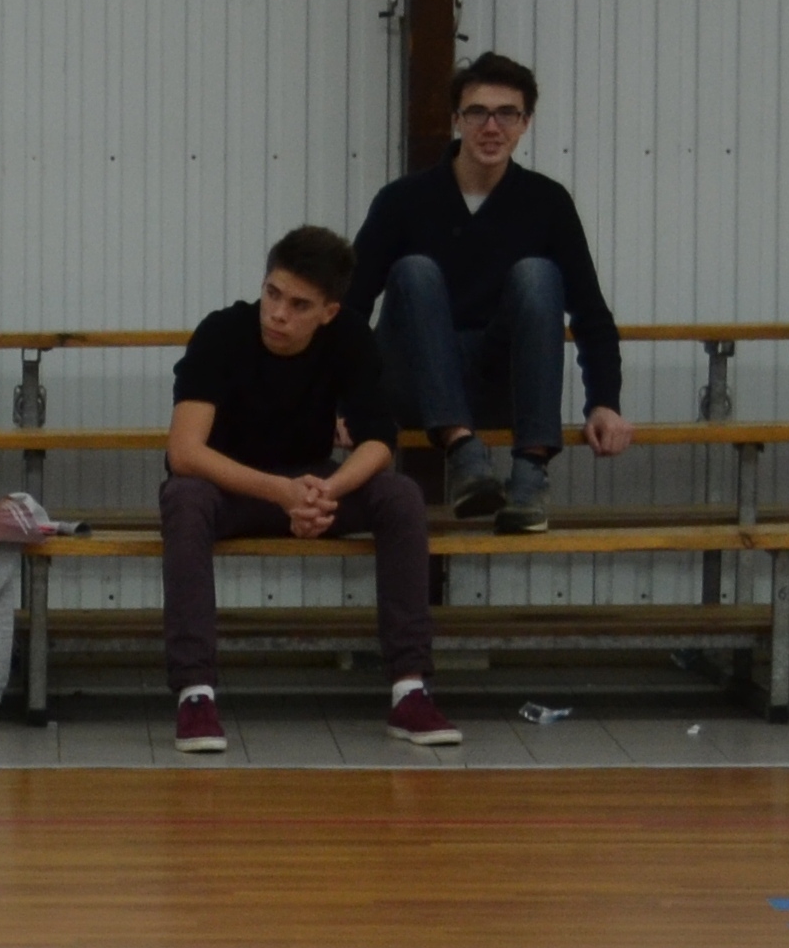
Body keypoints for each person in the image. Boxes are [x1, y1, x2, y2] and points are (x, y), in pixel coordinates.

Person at [160, 227, 456, 754]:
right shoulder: (222, 333)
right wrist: (281, 492)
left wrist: (325, 490)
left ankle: (410, 689)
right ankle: (195, 694)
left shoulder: (350, 339)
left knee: (401, 495)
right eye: (273, 294)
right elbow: (185, 451)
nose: (278, 314)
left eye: (299, 305)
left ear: (329, 311)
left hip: (315, 484)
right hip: (233, 487)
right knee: (183, 497)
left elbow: (380, 441)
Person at [348, 51, 632, 533]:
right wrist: (343, 401)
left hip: (498, 383)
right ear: (457, 119)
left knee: (539, 275)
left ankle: (529, 474)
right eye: (477, 112)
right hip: (414, 382)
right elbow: (349, 306)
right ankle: (462, 452)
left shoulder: (547, 202)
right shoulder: (403, 200)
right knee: (414, 271)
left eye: (508, 113)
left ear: (525, 123)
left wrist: (604, 400)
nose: (491, 126)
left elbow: (589, 311)